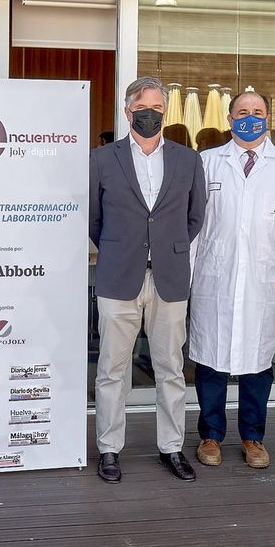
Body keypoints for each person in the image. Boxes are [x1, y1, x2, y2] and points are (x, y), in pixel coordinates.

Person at [88, 76, 207, 483]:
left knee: (171, 369)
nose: (151, 115)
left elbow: (196, 217)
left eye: (158, 108)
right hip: (119, 276)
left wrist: (165, 248)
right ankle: (108, 448)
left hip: (169, 278)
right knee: (112, 370)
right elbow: (94, 218)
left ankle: (171, 447)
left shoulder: (188, 159)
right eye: (144, 108)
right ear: (128, 111)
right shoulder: (103, 159)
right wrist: (126, 249)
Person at [188, 90, 275, 470]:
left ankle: (253, 437)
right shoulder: (206, 163)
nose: (249, 117)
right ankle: (210, 435)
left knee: (258, 362)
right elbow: (193, 228)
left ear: (268, 117)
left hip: (263, 281)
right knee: (211, 360)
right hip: (213, 278)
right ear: (229, 117)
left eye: (257, 112)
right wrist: (186, 279)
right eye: (242, 111)